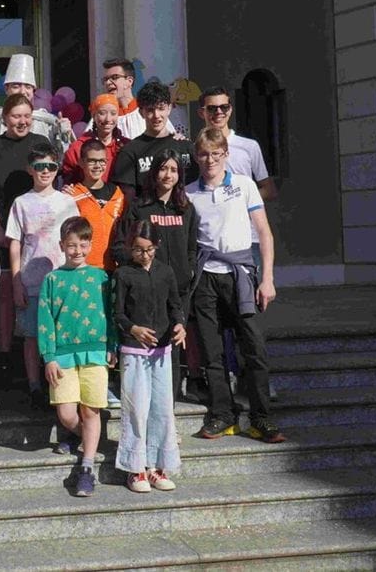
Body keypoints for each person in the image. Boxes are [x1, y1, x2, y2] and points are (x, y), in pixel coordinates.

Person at [186, 128, 284, 443]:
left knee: (254, 350)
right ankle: (223, 415)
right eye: (203, 154)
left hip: (241, 273)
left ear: (226, 154)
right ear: (196, 157)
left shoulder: (244, 186)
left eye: (216, 153)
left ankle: (261, 418)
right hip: (206, 278)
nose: (210, 160)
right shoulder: (189, 193)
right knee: (212, 354)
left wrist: (267, 278)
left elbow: (265, 234)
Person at [198, 85, 279, 399]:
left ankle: (257, 379)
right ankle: (228, 376)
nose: (218, 113)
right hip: (213, 251)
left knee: (251, 319)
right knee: (218, 321)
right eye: (211, 108)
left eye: (223, 108)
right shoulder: (199, 147)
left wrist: (239, 198)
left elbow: (268, 188)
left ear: (230, 109)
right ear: (202, 112)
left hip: (247, 245)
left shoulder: (248, 147)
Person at [0, 93, 49, 388]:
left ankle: (40, 353)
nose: (22, 121)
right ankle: (5, 353)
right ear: (5, 118)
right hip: (4, 231)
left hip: (38, 233)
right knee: (5, 294)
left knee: (39, 294)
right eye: (16, 116)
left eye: (27, 116)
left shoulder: (41, 146)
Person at [38, 217, 115, 497]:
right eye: (71, 245)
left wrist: (112, 346)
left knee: (90, 410)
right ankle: (87, 437)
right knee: (67, 413)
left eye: (83, 245)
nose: (77, 251)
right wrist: (49, 356)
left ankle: (87, 466)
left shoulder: (102, 277)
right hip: (62, 356)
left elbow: (111, 313)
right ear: (62, 246)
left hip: (95, 351)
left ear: (91, 244)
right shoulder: (52, 279)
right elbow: (45, 319)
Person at [115, 150, 198, 401]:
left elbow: (192, 247)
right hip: (143, 293)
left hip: (177, 292)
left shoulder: (186, 208)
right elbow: (120, 244)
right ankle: (142, 411)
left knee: (171, 354)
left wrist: (189, 269)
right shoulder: (139, 208)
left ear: (179, 175)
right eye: (163, 169)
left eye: (173, 170)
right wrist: (140, 269)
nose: (168, 175)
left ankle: (167, 415)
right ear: (153, 173)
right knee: (144, 352)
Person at [114, 221, 186, 493]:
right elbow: (118, 314)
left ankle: (157, 466)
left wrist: (180, 325)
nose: (144, 255)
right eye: (138, 250)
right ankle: (136, 468)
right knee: (137, 408)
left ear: (157, 247)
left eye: (148, 250)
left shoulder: (166, 272)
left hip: (161, 350)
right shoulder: (123, 275)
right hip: (134, 349)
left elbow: (176, 306)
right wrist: (133, 329)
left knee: (161, 407)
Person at [7, 142, 80, 407]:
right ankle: (34, 385)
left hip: (61, 280)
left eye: (50, 166)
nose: (45, 171)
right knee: (31, 336)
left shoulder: (67, 201)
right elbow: (15, 242)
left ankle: (61, 386)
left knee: (61, 335)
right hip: (31, 279)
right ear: (30, 169)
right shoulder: (21, 203)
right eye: (39, 167)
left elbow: (77, 239)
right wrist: (16, 281)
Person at [111, 80, 198, 202]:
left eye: (161, 108)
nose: (156, 115)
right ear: (141, 112)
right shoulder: (130, 152)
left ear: (169, 108)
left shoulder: (186, 147)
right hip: (148, 219)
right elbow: (127, 199)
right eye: (150, 110)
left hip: (184, 216)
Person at [0, 53, 73, 157]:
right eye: (16, 86)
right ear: (6, 89)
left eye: (28, 87)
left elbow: (61, 158)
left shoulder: (46, 123)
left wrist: (64, 134)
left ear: (33, 91)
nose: (22, 91)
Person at [63, 139, 126, 273]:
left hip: (113, 268)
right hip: (83, 269)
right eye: (92, 161)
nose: (97, 165)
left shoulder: (118, 194)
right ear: (81, 162)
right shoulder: (72, 195)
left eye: (102, 161)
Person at [90, 58, 175, 139]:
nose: (108, 83)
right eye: (105, 79)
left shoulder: (148, 111)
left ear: (129, 81)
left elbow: (170, 139)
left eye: (114, 77)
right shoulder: (101, 116)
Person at [62, 93, 129, 184]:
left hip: (119, 197)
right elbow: (68, 179)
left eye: (113, 113)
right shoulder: (78, 147)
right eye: (102, 113)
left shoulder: (126, 145)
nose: (108, 119)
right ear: (93, 115)